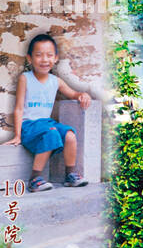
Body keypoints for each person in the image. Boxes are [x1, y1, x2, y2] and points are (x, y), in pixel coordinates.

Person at [6, 33, 91, 192]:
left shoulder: (55, 81)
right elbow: (18, 108)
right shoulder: (25, 78)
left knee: (70, 135)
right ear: (30, 58)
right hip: (29, 126)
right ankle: (35, 178)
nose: (44, 60)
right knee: (51, 133)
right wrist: (17, 135)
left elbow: (73, 94)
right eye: (38, 55)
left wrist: (82, 95)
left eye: (49, 55)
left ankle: (70, 175)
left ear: (56, 58)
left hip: (46, 124)